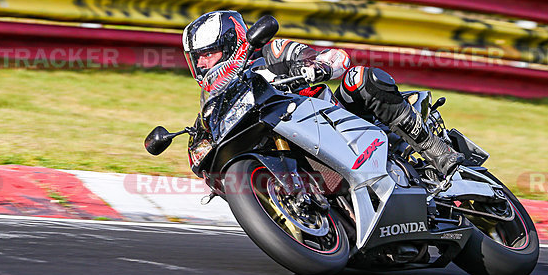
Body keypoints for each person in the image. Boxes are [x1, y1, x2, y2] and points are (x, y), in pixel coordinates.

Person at [182, 10, 464, 177]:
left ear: (233, 43)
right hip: (295, 149)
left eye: (208, 54)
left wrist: (318, 67)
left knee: (359, 78)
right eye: (198, 58)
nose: (203, 63)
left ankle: (436, 149)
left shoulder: (273, 54)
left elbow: (337, 58)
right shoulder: (216, 106)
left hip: (341, 122)